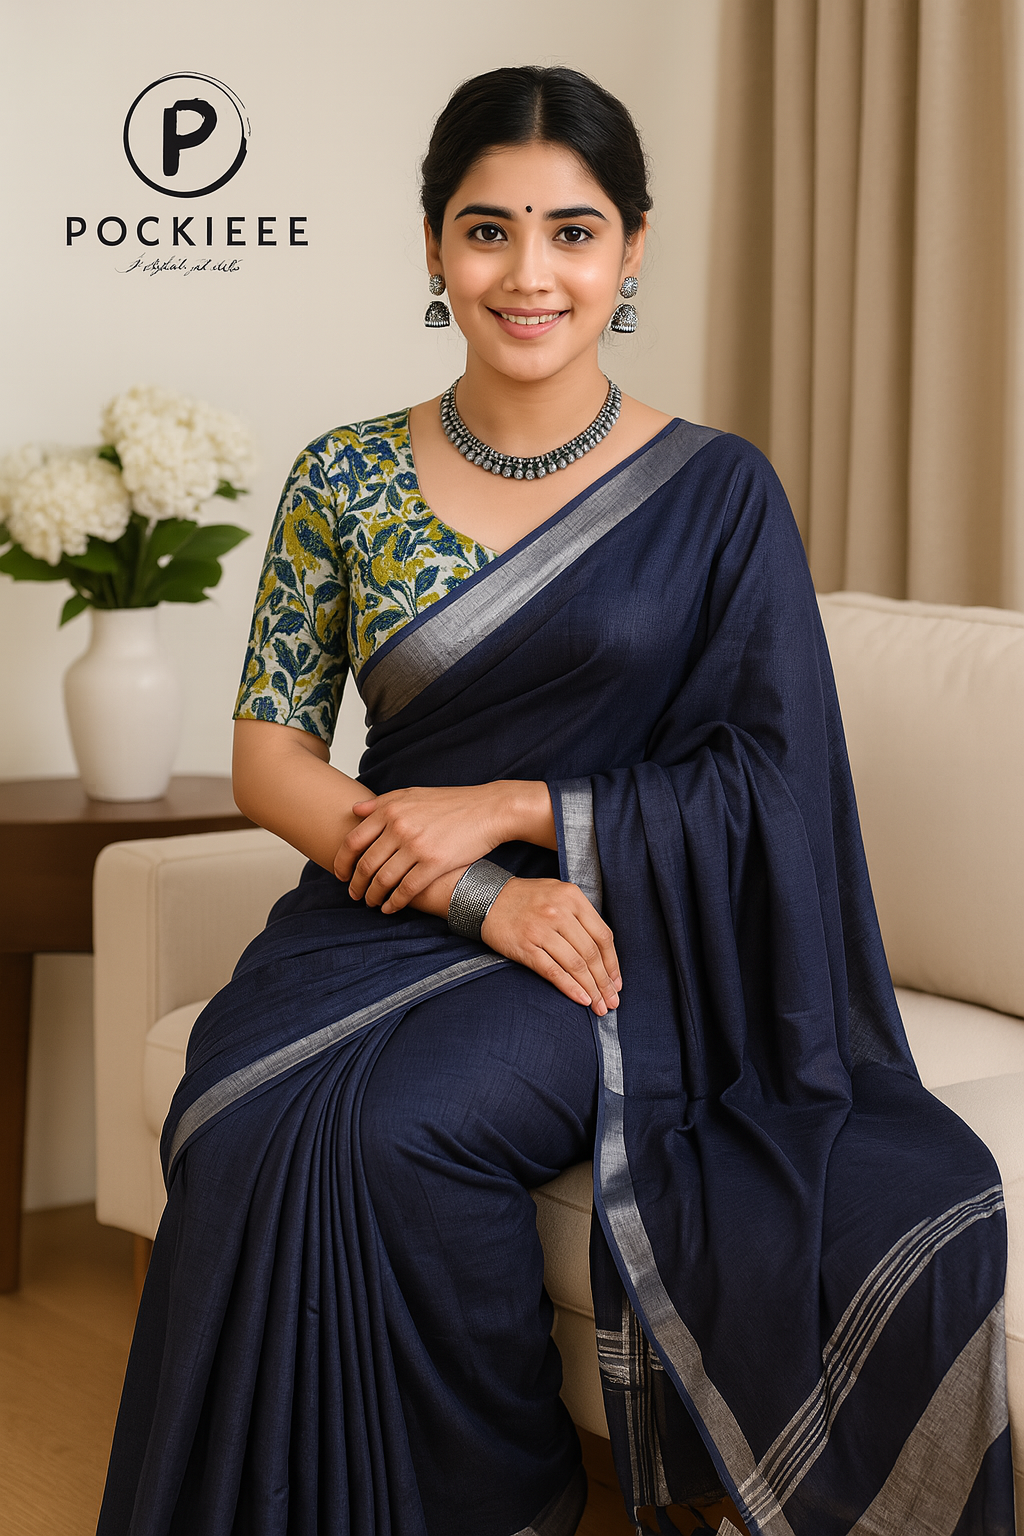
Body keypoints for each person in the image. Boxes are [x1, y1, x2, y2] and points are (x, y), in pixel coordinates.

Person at [97, 65, 1013, 1536]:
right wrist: (477, 894)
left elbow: (771, 786)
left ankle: (504, 1506)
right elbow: (272, 755)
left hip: (628, 932)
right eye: (489, 230)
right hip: (381, 914)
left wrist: (519, 809)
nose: (530, 275)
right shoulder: (344, 477)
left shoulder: (718, 494)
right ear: (433, 245)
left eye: (573, 232)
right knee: (234, 1112)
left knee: (406, 1127)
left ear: (632, 249)